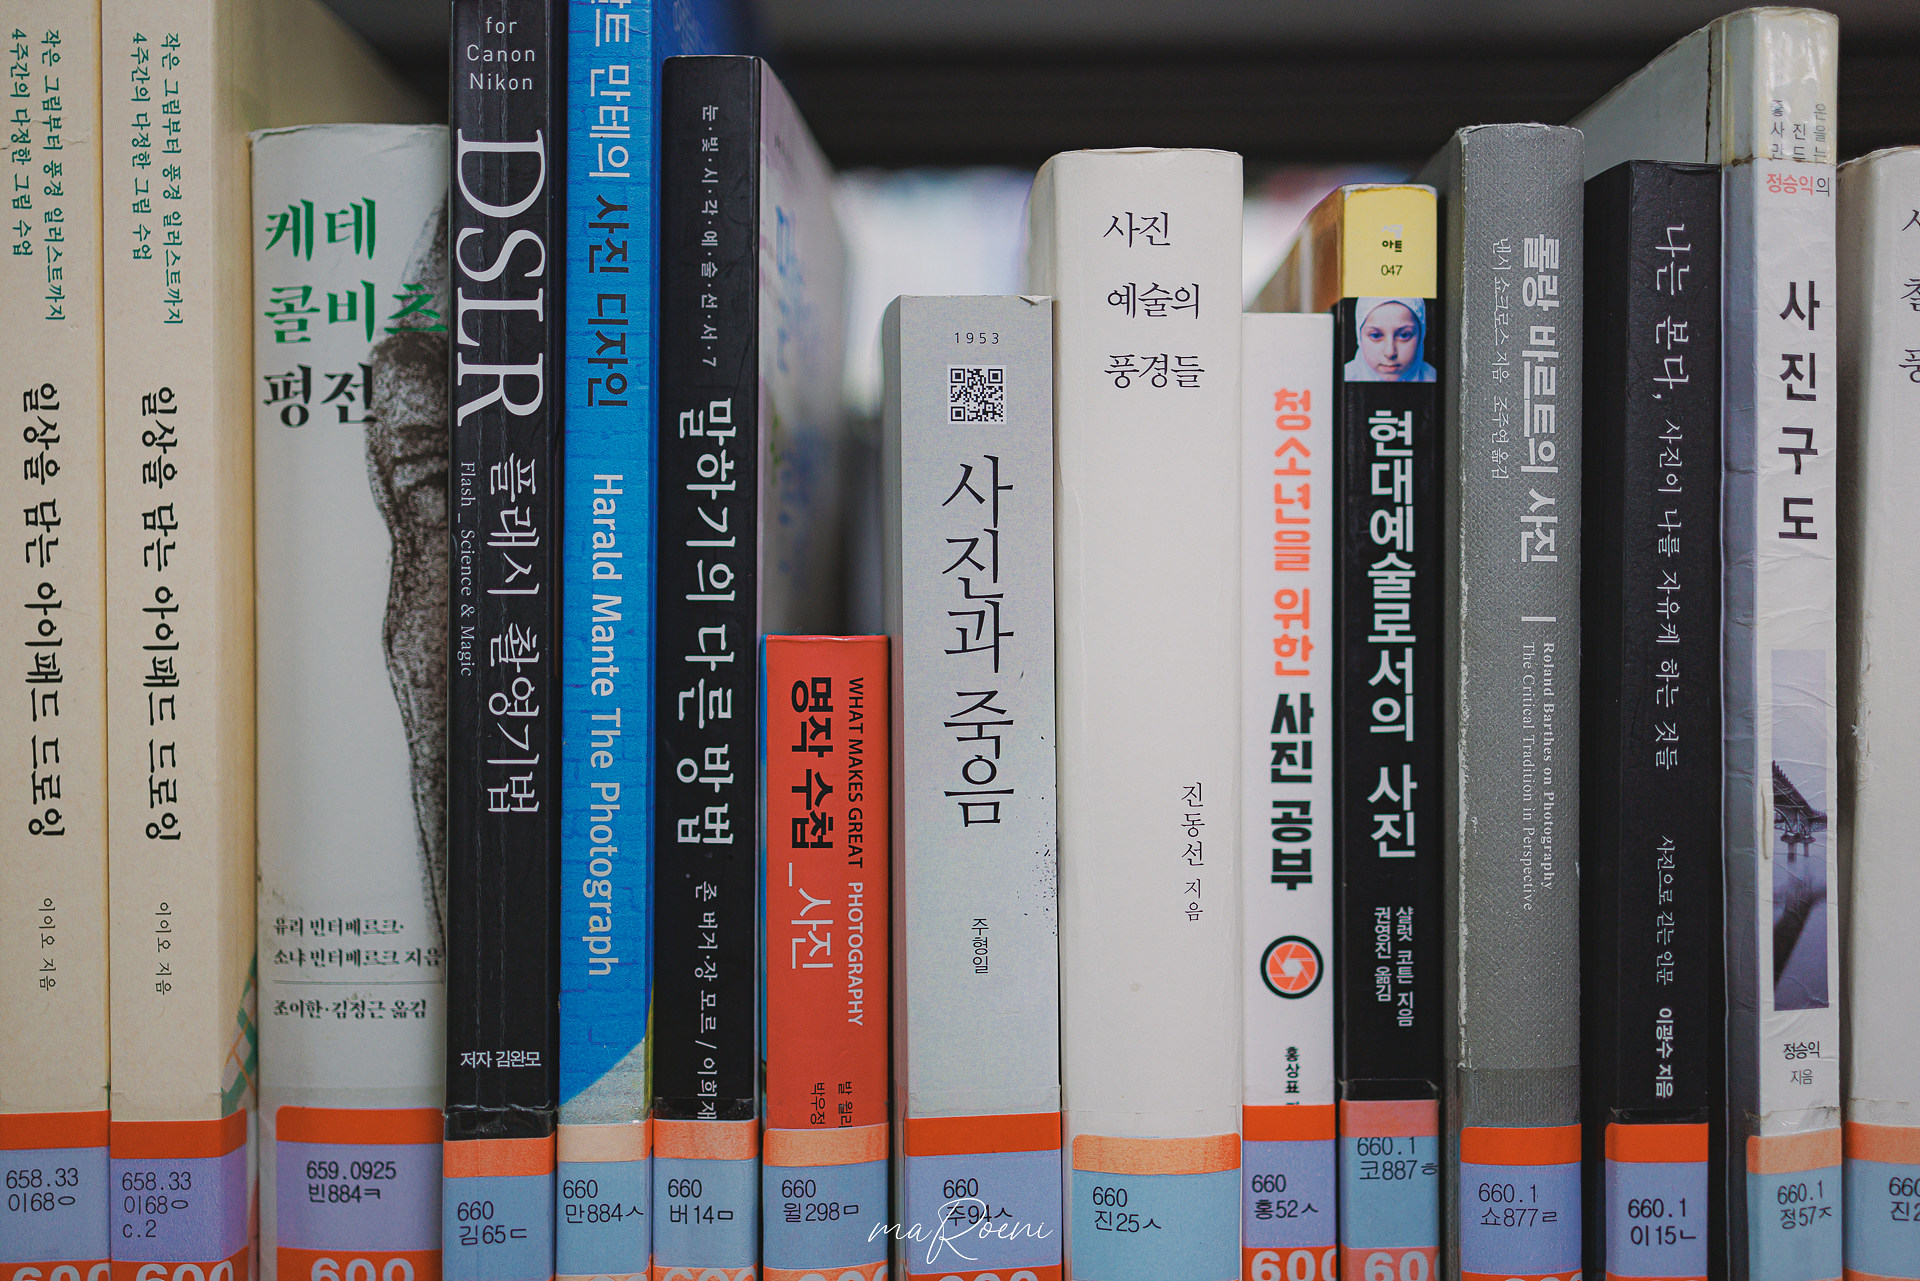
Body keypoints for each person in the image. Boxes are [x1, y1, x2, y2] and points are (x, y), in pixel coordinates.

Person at [1346, 296, 1436, 382]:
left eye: (1404, 335)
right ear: (1359, 337)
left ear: (1421, 336)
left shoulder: (1435, 379)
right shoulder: (1342, 378)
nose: (1390, 353)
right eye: (1376, 335)